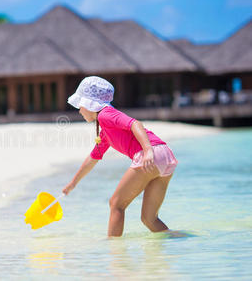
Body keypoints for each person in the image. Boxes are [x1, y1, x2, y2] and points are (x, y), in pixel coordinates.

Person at [62, 76, 178, 237]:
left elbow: (135, 123)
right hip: (165, 156)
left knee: (116, 204)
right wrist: (73, 183)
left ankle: (115, 254)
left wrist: (148, 151)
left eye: (80, 104)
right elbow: (92, 159)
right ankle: (183, 239)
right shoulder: (105, 132)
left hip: (151, 153)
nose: (79, 110)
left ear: (90, 103)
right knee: (149, 219)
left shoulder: (105, 115)